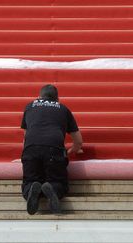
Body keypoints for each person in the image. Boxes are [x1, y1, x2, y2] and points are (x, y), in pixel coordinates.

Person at [21, 84, 83, 215]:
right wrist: (73, 150)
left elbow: (26, 136)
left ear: (39, 97)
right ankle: (53, 189)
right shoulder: (63, 109)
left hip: (31, 148)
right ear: (57, 99)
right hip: (54, 149)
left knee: (29, 179)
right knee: (58, 181)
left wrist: (27, 153)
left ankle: (32, 187)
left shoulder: (30, 106)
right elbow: (78, 141)